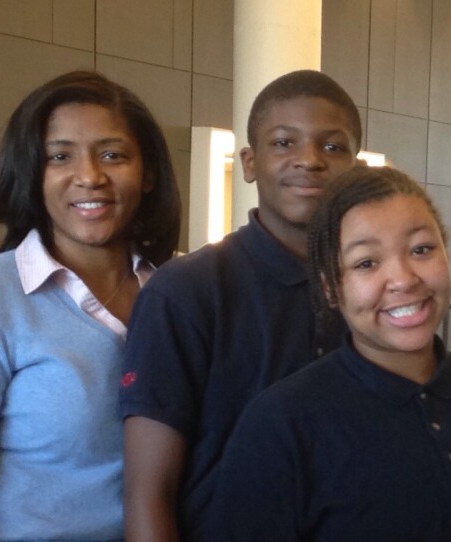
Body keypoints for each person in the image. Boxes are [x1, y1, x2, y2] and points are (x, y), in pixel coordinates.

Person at [207, 165, 451, 541]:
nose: (404, 279)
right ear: (330, 288)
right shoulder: (282, 425)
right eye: (366, 263)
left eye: (421, 249)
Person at [0, 70, 181, 541]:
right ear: (32, 173)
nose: (89, 176)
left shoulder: (180, 292)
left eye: (112, 155)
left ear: (147, 174)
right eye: (59, 156)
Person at [119, 69, 362, 541]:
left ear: (358, 168)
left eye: (333, 147)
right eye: (283, 143)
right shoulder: (187, 291)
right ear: (249, 162)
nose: (309, 160)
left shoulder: (375, 291)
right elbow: (148, 493)